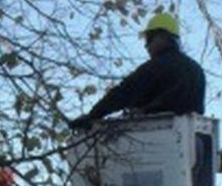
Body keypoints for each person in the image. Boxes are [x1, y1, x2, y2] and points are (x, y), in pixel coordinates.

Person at [68, 11, 206, 130]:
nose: (147, 46)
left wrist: (92, 116)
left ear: (162, 37)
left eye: (149, 39)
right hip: (194, 142)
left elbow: (123, 93)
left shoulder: (157, 67)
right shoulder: (196, 70)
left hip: (158, 136)